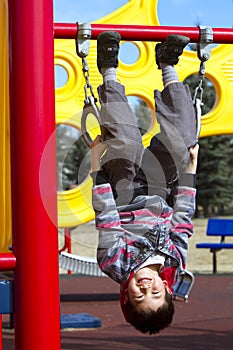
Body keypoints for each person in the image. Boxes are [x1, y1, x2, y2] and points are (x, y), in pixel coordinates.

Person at [90, 31, 199, 334]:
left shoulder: (115, 263)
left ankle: (109, 69)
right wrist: (190, 170)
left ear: (126, 295)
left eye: (139, 296)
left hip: (123, 191)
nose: (146, 288)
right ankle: (168, 65)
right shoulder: (174, 261)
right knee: (184, 142)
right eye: (156, 293)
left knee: (127, 143)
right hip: (160, 188)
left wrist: (97, 163)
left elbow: (107, 217)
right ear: (166, 287)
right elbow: (183, 220)